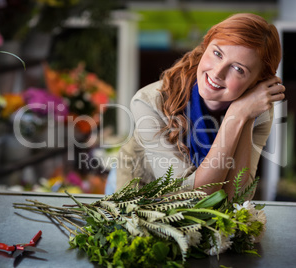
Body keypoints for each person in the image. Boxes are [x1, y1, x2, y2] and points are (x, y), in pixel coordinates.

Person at [115, 13, 285, 200]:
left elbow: (237, 198)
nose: (217, 73)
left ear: (256, 83)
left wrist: (244, 117)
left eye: (238, 69)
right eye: (217, 53)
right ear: (206, 46)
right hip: (139, 193)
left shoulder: (255, 109)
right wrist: (235, 116)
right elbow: (187, 198)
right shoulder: (149, 102)